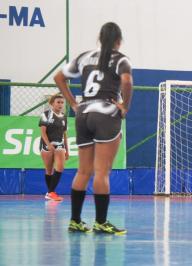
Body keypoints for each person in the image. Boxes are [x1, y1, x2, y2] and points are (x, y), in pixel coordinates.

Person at [54, 22, 133, 234]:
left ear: (100, 38)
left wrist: (72, 103)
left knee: (83, 170)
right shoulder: (120, 59)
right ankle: (100, 221)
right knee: (101, 172)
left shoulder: (84, 57)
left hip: (83, 112)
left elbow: (58, 77)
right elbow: (126, 81)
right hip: (106, 112)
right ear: (119, 40)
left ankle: (75, 220)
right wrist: (125, 106)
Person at [39, 94, 69, 201]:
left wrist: (67, 150)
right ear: (52, 103)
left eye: (62, 102)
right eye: (58, 102)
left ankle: (51, 192)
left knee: (60, 167)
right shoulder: (45, 115)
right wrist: (48, 144)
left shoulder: (64, 117)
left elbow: (64, 134)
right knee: (49, 170)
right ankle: (50, 193)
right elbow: (43, 132)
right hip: (47, 145)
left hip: (60, 145)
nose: (61, 104)